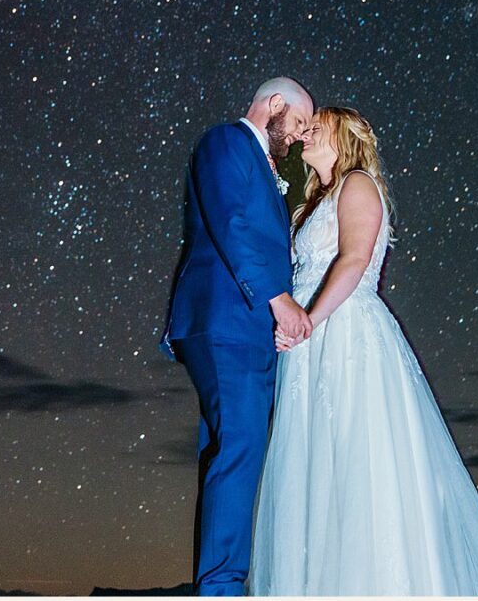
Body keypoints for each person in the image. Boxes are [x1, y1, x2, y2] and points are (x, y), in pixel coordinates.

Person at [246, 106, 478, 595]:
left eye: (319, 126)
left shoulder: (357, 184)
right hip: (310, 347)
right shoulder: (311, 203)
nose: (308, 131)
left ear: (347, 138)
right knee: (316, 476)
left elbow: (355, 259)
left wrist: (310, 320)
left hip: (346, 334)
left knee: (363, 468)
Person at [157, 76, 315, 596]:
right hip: (230, 321)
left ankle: (217, 583)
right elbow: (232, 219)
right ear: (273, 105)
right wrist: (277, 297)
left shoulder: (263, 165)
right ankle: (222, 588)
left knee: (226, 452)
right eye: (294, 125)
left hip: (239, 327)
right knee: (242, 447)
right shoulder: (225, 142)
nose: (295, 139)